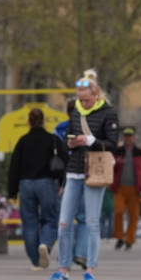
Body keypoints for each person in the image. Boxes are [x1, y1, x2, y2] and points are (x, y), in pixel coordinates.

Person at [45, 69, 119, 280]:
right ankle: (62, 270)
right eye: (80, 100)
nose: (83, 104)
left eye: (86, 100)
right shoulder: (75, 111)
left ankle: (90, 270)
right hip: (74, 170)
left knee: (92, 222)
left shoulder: (108, 112)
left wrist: (89, 140)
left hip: (94, 171)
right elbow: (68, 135)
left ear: (96, 95)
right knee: (64, 223)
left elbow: (113, 145)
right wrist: (71, 142)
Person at [7, 108, 67, 270]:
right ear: (44, 121)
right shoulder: (53, 140)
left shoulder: (23, 141)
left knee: (29, 223)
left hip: (26, 185)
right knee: (50, 219)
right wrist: (62, 183)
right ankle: (45, 244)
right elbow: (63, 162)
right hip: (47, 183)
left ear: (28, 122)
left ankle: (36, 261)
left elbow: (14, 167)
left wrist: (12, 192)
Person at [53, 98, 89, 268]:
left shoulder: (59, 129)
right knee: (83, 218)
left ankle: (65, 257)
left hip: (64, 179)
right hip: (84, 175)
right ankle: (81, 253)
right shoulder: (88, 129)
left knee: (64, 221)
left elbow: (56, 157)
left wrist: (59, 182)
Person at [111, 127, 141, 251]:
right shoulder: (117, 152)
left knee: (134, 216)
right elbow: (109, 167)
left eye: (130, 136)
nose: (128, 138)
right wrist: (117, 163)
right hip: (120, 188)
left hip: (135, 190)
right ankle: (119, 237)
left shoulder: (140, 152)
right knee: (119, 211)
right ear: (123, 138)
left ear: (133, 137)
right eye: (126, 136)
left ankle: (129, 240)